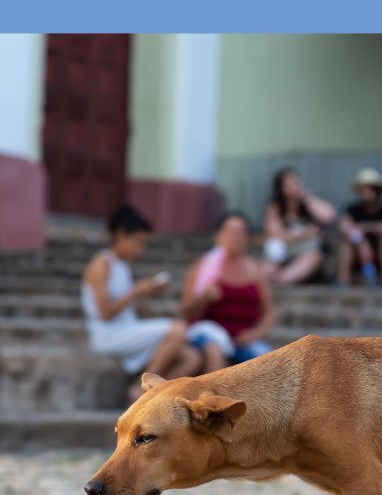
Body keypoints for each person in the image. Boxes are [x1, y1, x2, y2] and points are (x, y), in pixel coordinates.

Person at [82, 206, 200, 402]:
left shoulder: (122, 265)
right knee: (178, 330)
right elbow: (104, 313)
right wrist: (136, 291)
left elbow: (124, 307)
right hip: (108, 333)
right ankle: (139, 390)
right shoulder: (101, 264)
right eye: (138, 242)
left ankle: (150, 398)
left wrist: (145, 295)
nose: (141, 249)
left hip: (125, 327)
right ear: (121, 235)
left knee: (191, 358)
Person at [180, 210, 276, 372]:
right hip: (208, 332)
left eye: (240, 232)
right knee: (214, 349)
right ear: (218, 235)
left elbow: (269, 312)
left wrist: (255, 333)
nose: (235, 236)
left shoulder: (256, 270)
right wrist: (204, 298)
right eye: (229, 231)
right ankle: (214, 397)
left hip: (242, 337)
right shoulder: (204, 267)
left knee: (273, 366)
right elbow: (185, 311)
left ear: (247, 238)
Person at [263, 167, 336, 285]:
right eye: (289, 184)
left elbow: (329, 216)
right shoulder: (275, 206)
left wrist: (307, 198)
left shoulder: (308, 202)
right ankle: (271, 279)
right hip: (283, 253)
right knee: (272, 251)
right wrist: (305, 234)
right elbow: (274, 234)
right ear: (281, 188)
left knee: (315, 256)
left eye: (296, 181)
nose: (295, 186)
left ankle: (279, 281)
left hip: (307, 253)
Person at [337, 169, 382, 286]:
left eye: (368, 189)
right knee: (346, 242)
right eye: (362, 189)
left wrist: (367, 227)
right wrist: (361, 241)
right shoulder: (352, 210)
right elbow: (344, 227)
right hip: (356, 254)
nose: (364, 193)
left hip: (379, 255)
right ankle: (343, 280)